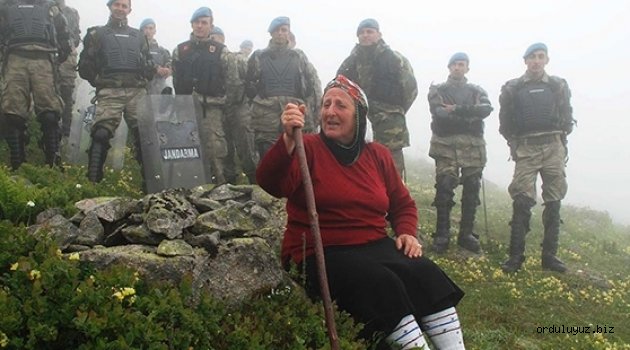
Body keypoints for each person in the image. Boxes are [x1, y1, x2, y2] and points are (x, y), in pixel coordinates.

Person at [257, 75, 466, 350]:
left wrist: (406, 232)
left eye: (340, 106)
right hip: (319, 249)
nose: (330, 111)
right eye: (326, 104)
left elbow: (402, 203)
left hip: (373, 244)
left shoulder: (377, 154)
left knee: (423, 273)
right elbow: (270, 182)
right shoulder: (305, 147)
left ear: (359, 117)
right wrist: (286, 140)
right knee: (381, 283)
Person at [499, 43, 575, 273]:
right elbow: (505, 122)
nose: (536, 61)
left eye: (540, 57)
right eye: (532, 57)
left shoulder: (558, 86)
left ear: (546, 60)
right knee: (522, 198)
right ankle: (515, 257)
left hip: (553, 145)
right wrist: (515, 143)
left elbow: (567, 116)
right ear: (525, 61)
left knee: (554, 199)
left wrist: (561, 140)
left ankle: (549, 256)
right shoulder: (512, 88)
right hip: (526, 147)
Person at [78, 0, 154, 183]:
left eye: (124, 5)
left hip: (136, 92)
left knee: (146, 137)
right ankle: (92, 183)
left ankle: (151, 184)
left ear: (129, 9)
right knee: (100, 134)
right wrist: (100, 82)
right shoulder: (97, 34)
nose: (120, 8)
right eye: (117, 4)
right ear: (110, 6)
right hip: (110, 91)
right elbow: (85, 66)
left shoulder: (139, 36)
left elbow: (148, 65)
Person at [427, 52, 493, 254]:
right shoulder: (437, 89)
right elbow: (438, 112)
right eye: (454, 64)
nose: (457, 67)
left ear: (467, 67)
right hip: (445, 144)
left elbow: (486, 109)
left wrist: (455, 109)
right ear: (449, 67)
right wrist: (469, 114)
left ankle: (466, 234)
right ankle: (442, 234)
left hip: (473, 145)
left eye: (461, 64)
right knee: (445, 186)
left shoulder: (477, 90)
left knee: (472, 188)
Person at [337, 18, 417, 179]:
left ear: (379, 34)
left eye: (370, 31)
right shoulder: (350, 62)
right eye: (362, 33)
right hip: (358, 117)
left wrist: (395, 112)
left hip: (389, 119)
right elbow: (338, 88)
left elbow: (410, 90)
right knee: (355, 158)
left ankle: (395, 200)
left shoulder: (396, 59)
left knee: (391, 165)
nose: (365, 35)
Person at [0, 0, 71, 169]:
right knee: (13, 113)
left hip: (44, 59)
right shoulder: (5, 7)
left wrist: (56, 58)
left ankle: (52, 163)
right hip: (15, 58)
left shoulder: (51, 8)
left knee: (50, 113)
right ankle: (17, 164)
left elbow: (64, 36)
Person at [245, 16, 321, 160]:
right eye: (276, 30)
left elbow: (313, 86)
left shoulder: (299, 57)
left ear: (288, 32)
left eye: (283, 30)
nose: (280, 33)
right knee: (269, 158)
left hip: (296, 113)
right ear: (271, 33)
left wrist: (315, 115)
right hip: (266, 118)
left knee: (299, 158)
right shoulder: (258, 57)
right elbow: (248, 86)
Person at [172, 6, 231, 184]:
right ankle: (186, 189)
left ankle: (218, 190)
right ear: (192, 24)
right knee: (185, 150)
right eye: (197, 22)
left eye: (204, 23)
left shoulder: (221, 51)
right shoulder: (180, 50)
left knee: (214, 151)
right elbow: (176, 79)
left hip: (211, 109)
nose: (200, 26)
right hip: (186, 107)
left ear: (210, 25)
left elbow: (231, 80)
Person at [222, 34, 258, 184]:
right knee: (225, 148)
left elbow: (252, 83)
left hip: (241, 106)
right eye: (245, 47)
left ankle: (254, 179)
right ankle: (229, 180)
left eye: (249, 47)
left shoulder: (242, 61)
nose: (247, 49)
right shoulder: (225, 59)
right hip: (220, 108)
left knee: (246, 145)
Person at [56, 0, 81, 137]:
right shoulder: (42, 7)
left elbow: (75, 38)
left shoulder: (71, 13)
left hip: (67, 56)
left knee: (66, 93)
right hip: (45, 52)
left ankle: (65, 134)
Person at [140, 18, 172, 95]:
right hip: (141, 90)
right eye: (145, 28)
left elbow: (170, 63)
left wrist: (168, 70)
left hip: (159, 92)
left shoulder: (162, 51)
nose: (148, 31)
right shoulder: (137, 49)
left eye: (151, 28)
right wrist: (155, 69)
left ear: (155, 31)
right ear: (141, 30)